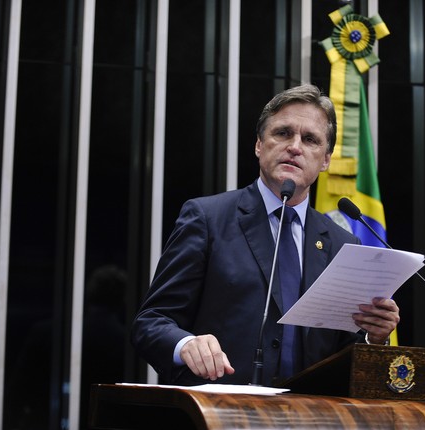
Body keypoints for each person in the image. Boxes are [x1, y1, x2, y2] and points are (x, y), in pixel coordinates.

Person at [131, 84, 400, 386]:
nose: (295, 147)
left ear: (325, 160)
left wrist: (373, 338)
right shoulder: (208, 218)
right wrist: (186, 345)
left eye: (310, 139)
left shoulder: (342, 244)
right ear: (259, 145)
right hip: (219, 411)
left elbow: (342, 353)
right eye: (283, 133)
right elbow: (151, 323)